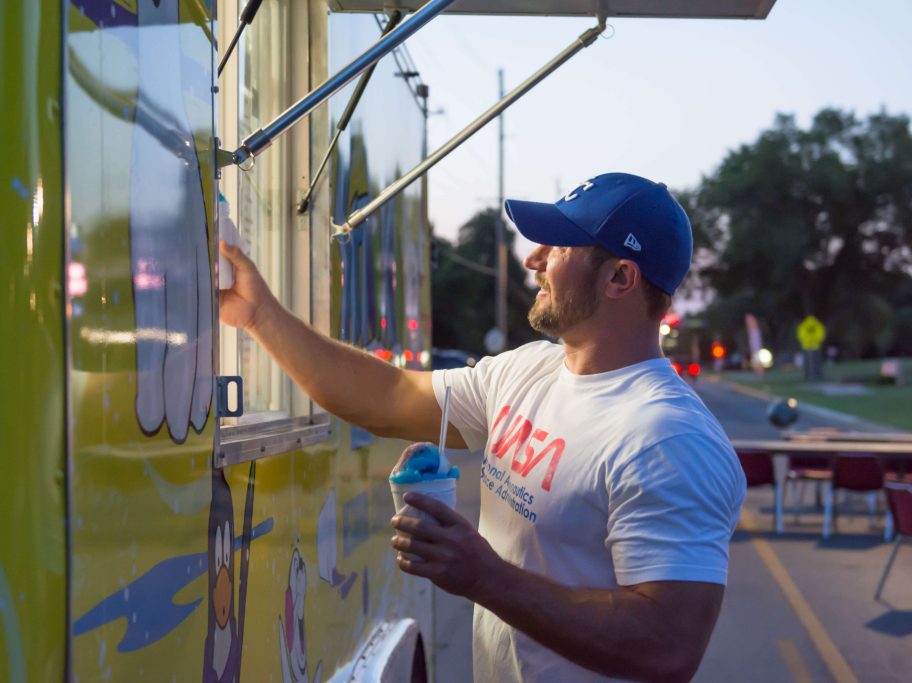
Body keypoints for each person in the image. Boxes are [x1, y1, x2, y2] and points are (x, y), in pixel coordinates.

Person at [218, 172, 745, 683]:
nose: (533, 259)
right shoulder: (527, 370)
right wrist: (260, 314)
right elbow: (386, 397)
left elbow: (666, 648)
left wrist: (484, 576)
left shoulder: (669, 438)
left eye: (559, 247)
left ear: (619, 278)